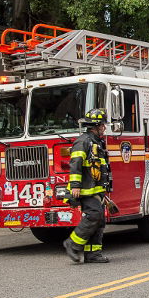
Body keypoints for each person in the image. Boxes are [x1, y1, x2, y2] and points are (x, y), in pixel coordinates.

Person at [62, 108, 112, 264]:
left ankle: (93, 254)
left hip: (96, 190)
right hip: (84, 189)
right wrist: (75, 185)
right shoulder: (83, 141)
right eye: (103, 125)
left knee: (99, 220)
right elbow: (75, 164)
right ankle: (72, 243)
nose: (104, 128)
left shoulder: (97, 142)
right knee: (94, 215)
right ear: (96, 126)